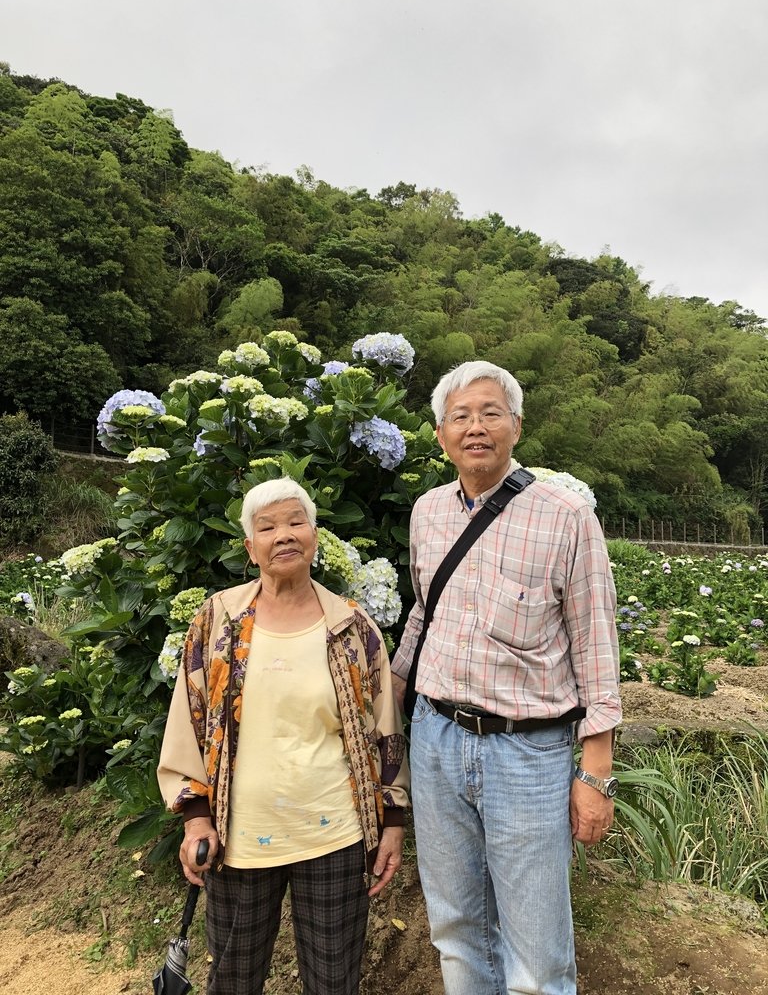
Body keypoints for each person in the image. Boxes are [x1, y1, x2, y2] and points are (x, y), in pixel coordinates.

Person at [390, 361, 621, 995]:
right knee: (457, 925)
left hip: (529, 750)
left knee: (537, 949)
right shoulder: (428, 512)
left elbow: (597, 648)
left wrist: (595, 773)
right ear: (440, 435)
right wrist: (387, 696)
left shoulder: (567, 515)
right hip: (436, 739)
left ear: (516, 426)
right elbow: (421, 613)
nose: (476, 427)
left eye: (491, 413)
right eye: (460, 416)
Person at [158, 478, 409, 995]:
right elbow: (190, 718)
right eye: (267, 527)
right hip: (240, 836)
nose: (284, 535)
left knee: (334, 979)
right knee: (233, 978)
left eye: (296, 522)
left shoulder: (352, 626)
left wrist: (393, 821)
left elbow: (385, 730)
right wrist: (195, 816)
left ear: (315, 536)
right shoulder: (219, 621)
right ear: (251, 548)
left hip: (336, 834)